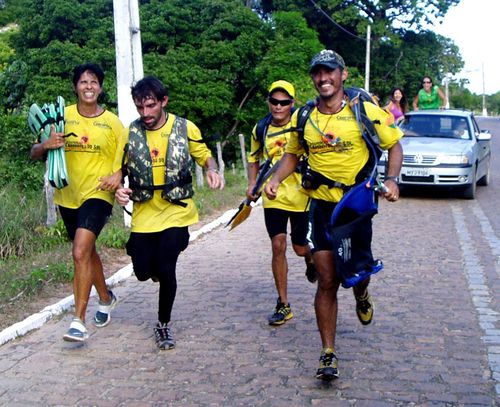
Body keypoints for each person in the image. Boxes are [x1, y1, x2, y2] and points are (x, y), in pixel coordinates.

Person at [264, 50, 403, 380]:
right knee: (327, 280)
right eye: (317, 73)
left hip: (355, 207)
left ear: (343, 75)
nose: (323, 78)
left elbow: (394, 145)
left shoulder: (364, 111)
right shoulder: (304, 117)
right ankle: (328, 353)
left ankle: (362, 292)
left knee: (356, 272)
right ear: (313, 78)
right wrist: (275, 179)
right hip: (321, 207)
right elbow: (292, 155)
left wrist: (392, 179)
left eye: (330, 72)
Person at [115, 76, 224, 350]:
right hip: (144, 212)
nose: (146, 113)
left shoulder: (184, 127)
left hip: (177, 210)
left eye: (151, 106)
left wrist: (212, 169)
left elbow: (204, 155)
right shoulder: (131, 132)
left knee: (167, 267)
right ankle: (154, 262)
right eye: (140, 108)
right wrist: (118, 188)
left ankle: (163, 324)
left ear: (164, 101)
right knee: (142, 271)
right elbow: (121, 169)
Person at [30, 63, 124, 342]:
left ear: (101, 87)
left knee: (79, 251)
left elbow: (125, 160)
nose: (89, 87)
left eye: (94, 82)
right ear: (75, 87)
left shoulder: (113, 123)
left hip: (98, 194)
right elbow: (34, 152)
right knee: (86, 252)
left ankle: (78, 321)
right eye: (83, 82)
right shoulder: (61, 116)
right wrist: (45, 145)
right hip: (67, 195)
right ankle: (105, 298)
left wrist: (118, 174)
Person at [246, 80, 316, 327]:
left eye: (284, 102)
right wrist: (253, 183)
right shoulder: (261, 128)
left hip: (301, 195)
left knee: (299, 247)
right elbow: (253, 158)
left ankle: (310, 259)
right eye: (274, 101)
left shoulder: (303, 125)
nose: (278, 106)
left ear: (292, 104)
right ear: (268, 102)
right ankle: (283, 304)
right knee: (278, 245)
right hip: (273, 195)